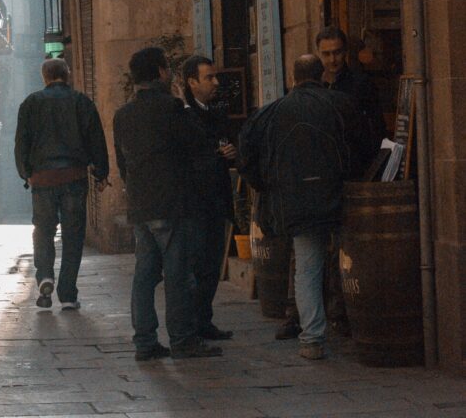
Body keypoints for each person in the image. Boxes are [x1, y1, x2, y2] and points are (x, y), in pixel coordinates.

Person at [237, 54, 374, 360]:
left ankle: (312, 338)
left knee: (307, 268)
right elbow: (366, 145)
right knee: (349, 261)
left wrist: (268, 187)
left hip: (295, 203)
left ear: (292, 76)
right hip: (339, 197)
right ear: (321, 73)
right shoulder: (341, 104)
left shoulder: (270, 114)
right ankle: (352, 324)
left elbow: (246, 157)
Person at [113, 47, 222, 361]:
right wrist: (185, 105)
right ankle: (183, 340)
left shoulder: (122, 115)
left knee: (145, 275)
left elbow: (123, 163)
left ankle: (145, 342)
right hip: (171, 204)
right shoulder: (172, 108)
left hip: (140, 205)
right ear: (161, 72)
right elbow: (198, 143)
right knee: (177, 274)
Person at [15, 57, 109, 310]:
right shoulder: (82, 102)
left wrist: (26, 173)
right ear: (67, 75)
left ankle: (45, 275)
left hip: (43, 179)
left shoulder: (30, 103)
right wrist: (101, 172)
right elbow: (96, 139)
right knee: (73, 235)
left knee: (43, 230)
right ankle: (67, 293)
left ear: (45, 77)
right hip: (74, 178)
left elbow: (21, 142)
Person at [181, 55, 235, 341]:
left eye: (215, 77)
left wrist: (229, 152)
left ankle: (204, 320)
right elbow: (191, 159)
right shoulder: (184, 116)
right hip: (196, 204)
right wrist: (216, 154)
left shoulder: (217, 112)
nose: (216, 82)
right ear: (192, 82)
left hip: (217, 200)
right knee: (198, 265)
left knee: (212, 265)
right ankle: (193, 323)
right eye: (209, 77)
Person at [316, 25, 386, 151]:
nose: (332, 59)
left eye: (337, 52)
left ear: (345, 51)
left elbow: (377, 128)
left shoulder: (362, 84)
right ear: (318, 53)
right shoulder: (315, 86)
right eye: (326, 54)